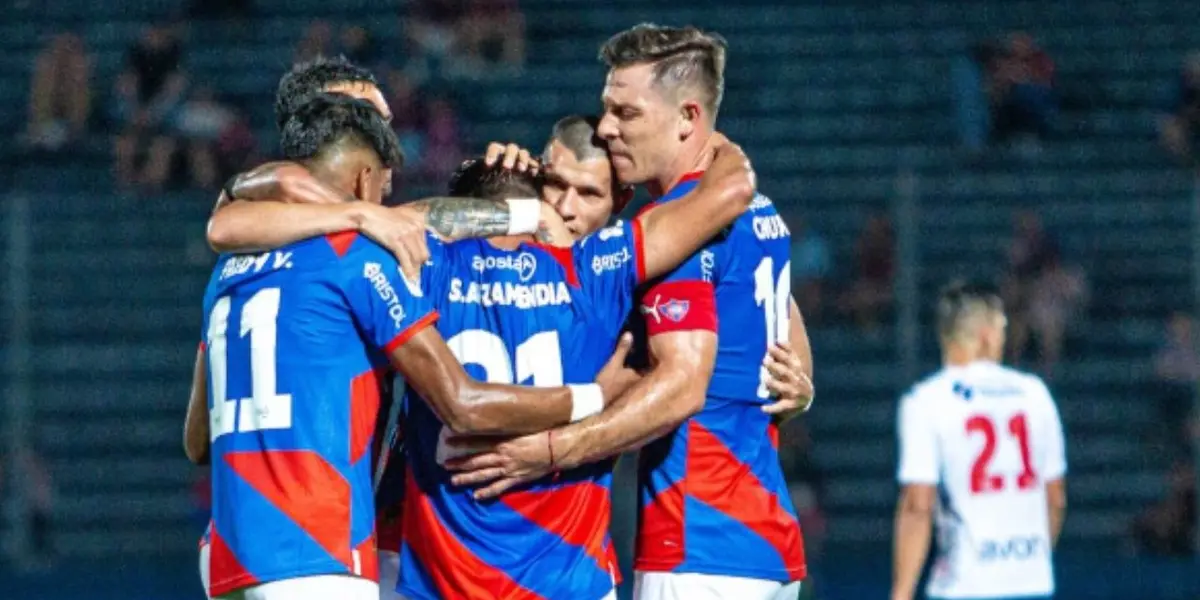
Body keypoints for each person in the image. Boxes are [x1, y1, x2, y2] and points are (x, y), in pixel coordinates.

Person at [189, 93, 633, 600]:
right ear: (361, 177)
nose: (566, 208)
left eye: (589, 194)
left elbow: (196, 440)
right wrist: (592, 398)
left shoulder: (231, 271)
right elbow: (463, 401)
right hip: (353, 549)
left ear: (619, 202)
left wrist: (553, 448)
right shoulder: (375, 259)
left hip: (234, 551)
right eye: (554, 185)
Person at [449, 25, 811, 600]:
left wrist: (549, 452)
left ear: (687, 118)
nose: (610, 127)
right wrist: (804, 387)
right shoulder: (761, 213)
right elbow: (781, 310)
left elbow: (682, 386)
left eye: (627, 112)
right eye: (606, 109)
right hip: (765, 544)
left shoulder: (686, 229)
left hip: (698, 542)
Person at [891, 281, 1067, 600]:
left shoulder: (926, 401)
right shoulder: (1035, 394)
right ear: (987, 333)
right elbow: (1055, 498)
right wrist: (1031, 560)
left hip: (965, 583)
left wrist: (902, 591)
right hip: (1030, 581)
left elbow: (918, 504)